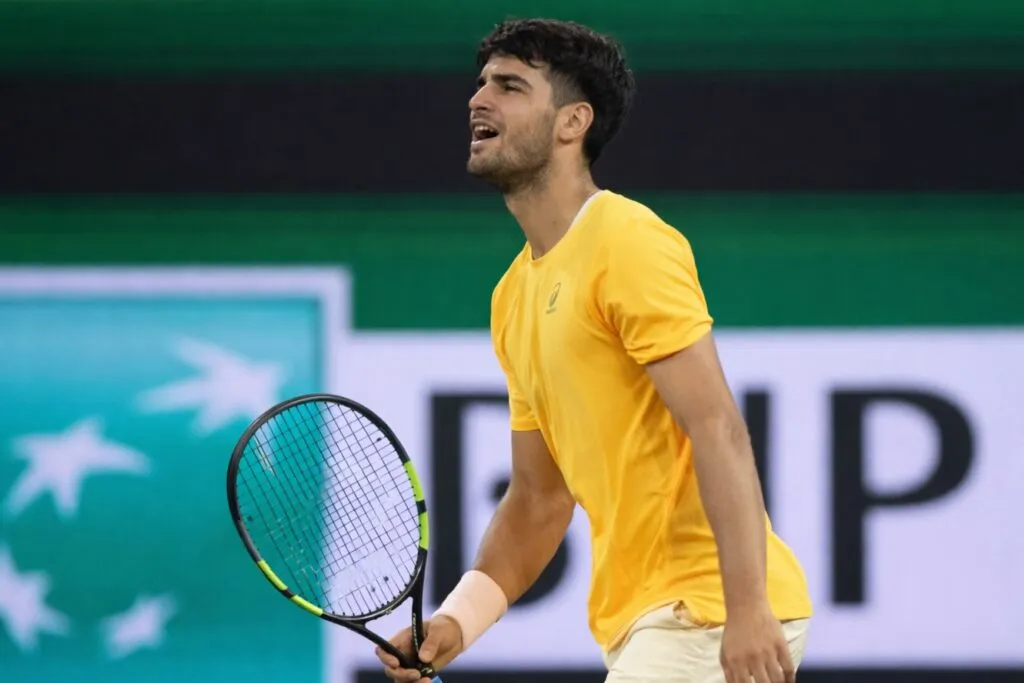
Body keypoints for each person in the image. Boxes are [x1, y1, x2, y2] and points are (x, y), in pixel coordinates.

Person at [376, 18, 813, 683]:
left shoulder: (625, 238)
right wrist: (455, 621)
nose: (478, 99)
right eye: (481, 83)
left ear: (571, 122)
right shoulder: (512, 297)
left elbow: (716, 424)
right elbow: (538, 497)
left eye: (510, 85)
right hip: (638, 621)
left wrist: (746, 608)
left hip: (705, 611)